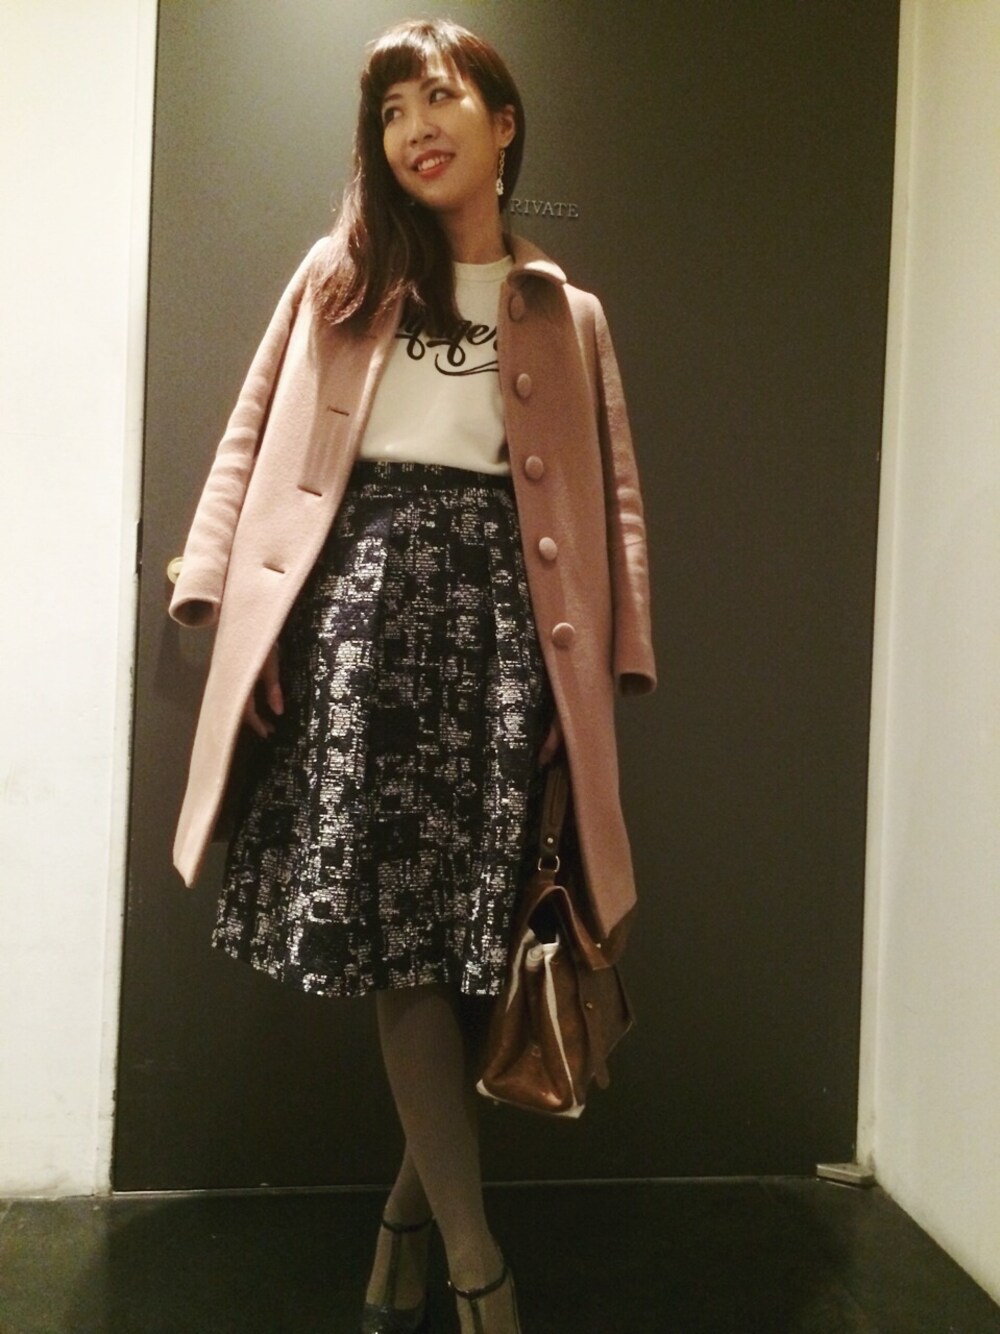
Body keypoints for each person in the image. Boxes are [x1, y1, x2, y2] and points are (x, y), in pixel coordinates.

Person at [169, 17, 655, 1334]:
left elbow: (613, 503)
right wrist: (223, 602)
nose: (414, 128)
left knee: (471, 947)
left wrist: (601, 677)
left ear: (504, 125)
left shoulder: (566, 312)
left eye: (438, 98)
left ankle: (404, 1219)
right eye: (391, 111)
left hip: (505, 639)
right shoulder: (340, 278)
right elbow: (247, 439)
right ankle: (478, 1267)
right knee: (400, 946)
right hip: (357, 625)